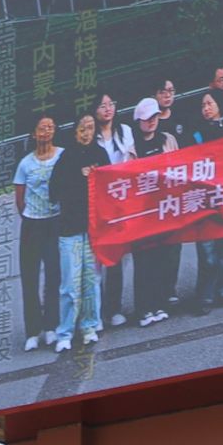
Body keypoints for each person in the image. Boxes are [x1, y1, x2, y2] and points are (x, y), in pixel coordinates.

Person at [52, 113, 105, 351]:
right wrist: (79, 176)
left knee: (91, 281)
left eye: (90, 128)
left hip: (93, 230)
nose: (86, 133)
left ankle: (89, 326)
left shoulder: (100, 154)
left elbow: (110, 186)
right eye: (82, 129)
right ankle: (64, 332)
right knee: (70, 285)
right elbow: (54, 191)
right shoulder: (66, 158)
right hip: (70, 230)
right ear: (75, 132)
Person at [128, 97, 182, 326]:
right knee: (144, 260)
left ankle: (160, 303)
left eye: (155, 117)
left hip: (166, 207)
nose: (151, 122)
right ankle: (144, 308)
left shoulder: (168, 140)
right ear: (138, 121)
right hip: (142, 211)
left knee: (163, 257)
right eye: (147, 118)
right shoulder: (131, 148)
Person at [12, 115, 64, 350]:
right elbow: (20, 198)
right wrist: (30, 216)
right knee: (30, 277)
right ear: (33, 134)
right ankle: (33, 331)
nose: (47, 131)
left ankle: (52, 326)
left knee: (54, 274)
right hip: (32, 224)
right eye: (42, 128)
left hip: (55, 221)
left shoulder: (62, 155)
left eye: (51, 127)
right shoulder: (25, 164)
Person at [188, 92, 223, 311]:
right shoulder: (196, 132)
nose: (206, 108)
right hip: (205, 196)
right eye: (203, 105)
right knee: (207, 251)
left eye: (210, 103)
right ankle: (205, 294)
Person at [91, 92, 137, 323]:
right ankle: (95, 312)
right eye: (102, 105)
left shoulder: (125, 131)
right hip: (98, 204)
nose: (108, 109)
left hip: (121, 201)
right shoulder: (91, 136)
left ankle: (114, 309)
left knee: (118, 256)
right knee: (97, 259)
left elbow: (132, 162)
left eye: (111, 104)